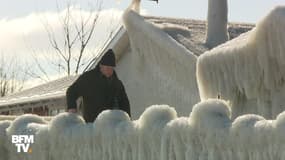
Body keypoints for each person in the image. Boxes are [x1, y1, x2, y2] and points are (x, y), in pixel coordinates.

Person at [66, 49, 131, 122]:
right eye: (107, 68)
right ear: (101, 66)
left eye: (111, 69)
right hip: (91, 125)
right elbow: (71, 91)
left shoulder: (117, 83)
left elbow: (124, 103)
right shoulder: (88, 78)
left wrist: (127, 120)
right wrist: (72, 108)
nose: (109, 71)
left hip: (112, 126)